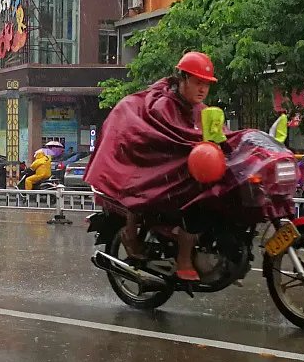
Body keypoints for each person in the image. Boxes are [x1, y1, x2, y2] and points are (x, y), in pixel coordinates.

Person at [83, 51, 221, 282]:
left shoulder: (202, 110)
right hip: (155, 169)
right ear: (183, 78)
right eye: (198, 82)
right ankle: (183, 259)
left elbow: (217, 137)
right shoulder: (164, 105)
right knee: (193, 204)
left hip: (191, 170)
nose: (202, 89)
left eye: (206, 84)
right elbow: (168, 140)